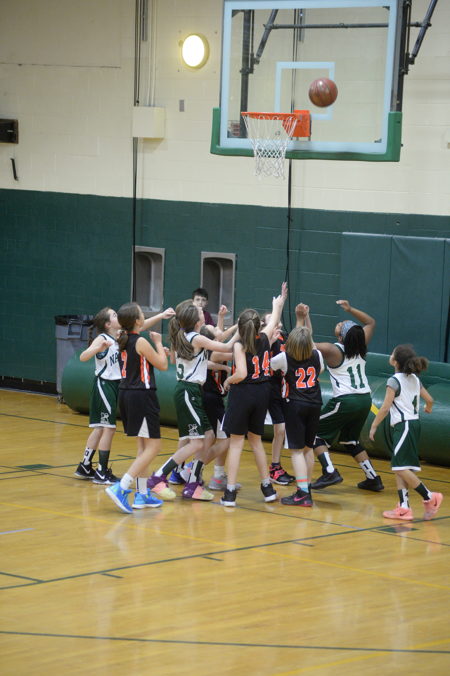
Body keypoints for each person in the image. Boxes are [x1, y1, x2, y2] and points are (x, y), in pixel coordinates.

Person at [146, 299, 235, 501]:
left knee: (209, 436)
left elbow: (175, 360)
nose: (203, 311)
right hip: (188, 391)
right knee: (196, 443)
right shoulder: (196, 337)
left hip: (190, 390)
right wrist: (241, 331)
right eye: (199, 311)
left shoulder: (182, 336)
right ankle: (158, 477)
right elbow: (227, 346)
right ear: (196, 321)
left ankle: (193, 484)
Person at [297, 301, 384, 492]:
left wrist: (302, 318)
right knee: (351, 441)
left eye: (343, 324)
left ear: (341, 336)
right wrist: (351, 309)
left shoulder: (332, 349)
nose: (342, 321)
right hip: (365, 400)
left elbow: (304, 342)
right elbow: (370, 322)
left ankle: (329, 471)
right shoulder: (361, 346)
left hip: (346, 401)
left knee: (313, 432)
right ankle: (373, 478)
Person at [220, 283, 288, 508]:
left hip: (243, 393)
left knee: (236, 443)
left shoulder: (239, 346)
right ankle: (267, 488)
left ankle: (230, 492)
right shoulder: (265, 339)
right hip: (262, 392)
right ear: (259, 326)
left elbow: (241, 373)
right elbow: (274, 320)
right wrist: (278, 304)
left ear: (240, 328)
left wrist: (228, 381)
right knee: (256, 441)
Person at [105, 302, 169, 513]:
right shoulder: (140, 341)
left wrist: (159, 318)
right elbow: (163, 365)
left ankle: (142, 495)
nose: (144, 316)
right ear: (137, 321)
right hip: (142, 396)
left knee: (143, 448)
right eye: (142, 313)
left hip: (127, 394)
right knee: (154, 447)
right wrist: (158, 344)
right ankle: (121, 487)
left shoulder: (122, 338)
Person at [369, 345, 443, 521]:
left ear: (395, 361)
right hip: (413, 425)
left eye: (392, 353)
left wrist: (373, 426)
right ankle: (404, 507)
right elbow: (430, 399)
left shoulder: (393, 381)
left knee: (400, 467)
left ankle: (430, 496)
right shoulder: (415, 379)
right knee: (400, 468)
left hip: (405, 426)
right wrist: (428, 408)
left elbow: (385, 407)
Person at [270, 326, 324, 507]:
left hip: (295, 404)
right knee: (308, 449)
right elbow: (320, 371)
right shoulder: (317, 355)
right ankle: (306, 488)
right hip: (315, 403)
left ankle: (302, 493)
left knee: (297, 451)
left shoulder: (283, 357)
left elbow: (268, 367)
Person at [74, 307, 122, 484]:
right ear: (108, 324)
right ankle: (102, 472)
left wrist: (161, 315)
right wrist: (97, 348)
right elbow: (83, 357)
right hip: (104, 384)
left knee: (100, 428)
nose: (118, 316)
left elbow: (140, 325)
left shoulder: (118, 336)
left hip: (113, 385)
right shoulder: (102, 338)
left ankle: (85, 465)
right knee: (109, 428)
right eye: (115, 315)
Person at [260, 312, 295, 487]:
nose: (278, 324)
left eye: (278, 321)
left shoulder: (285, 338)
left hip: (283, 387)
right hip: (269, 388)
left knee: (281, 430)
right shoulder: (264, 340)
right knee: (280, 429)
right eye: (273, 322)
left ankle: (276, 466)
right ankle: (274, 468)